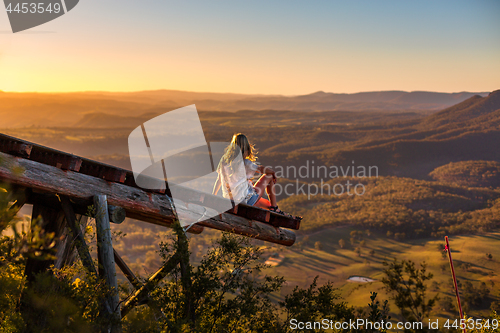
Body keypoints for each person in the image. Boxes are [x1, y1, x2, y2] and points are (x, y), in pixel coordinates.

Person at [212, 133, 291, 216]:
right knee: (269, 176)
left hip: (229, 200)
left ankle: (272, 207)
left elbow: (219, 179)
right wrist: (273, 172)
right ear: (246, 147)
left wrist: (214, 195)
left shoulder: (224, 160)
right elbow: (261, 169)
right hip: (245, 202)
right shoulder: (245, 163)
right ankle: (275, 208)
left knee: (264, 202)